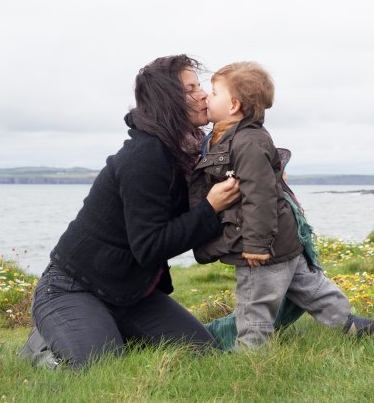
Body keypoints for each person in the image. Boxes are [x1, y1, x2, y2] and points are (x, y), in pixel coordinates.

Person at [21, 54, 241, 368]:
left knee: (201, 357)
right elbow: (150, 246)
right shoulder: (146, 156)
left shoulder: (189, 149)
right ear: (169, 101)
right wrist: (210, 208)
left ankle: (99, 330)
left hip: (130, 294)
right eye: (192, 89)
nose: (204, 95)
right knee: (100, 367)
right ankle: (43, 346)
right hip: (72, 288)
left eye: (200, 87)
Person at [189, 61, 374, 350]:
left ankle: (252, 354)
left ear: (234, 105)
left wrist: (256, 245)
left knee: (254, 302)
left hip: (261, 248)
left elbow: (260, 197)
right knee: (311, 288)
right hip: (285, 241)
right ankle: (349, 324)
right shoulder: (227, 137)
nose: (206, 98)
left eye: (213, 93)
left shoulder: (246, 143)